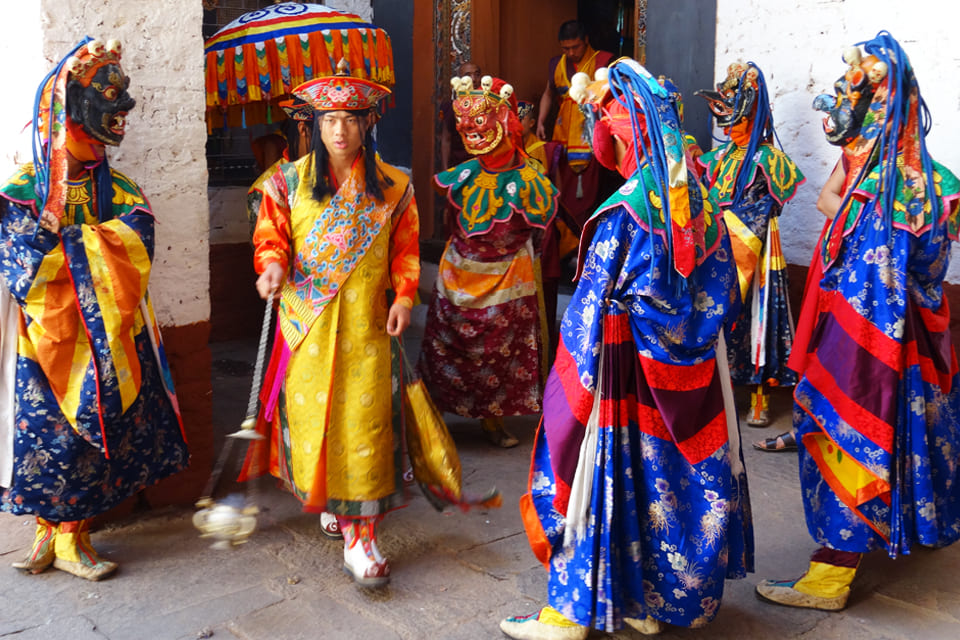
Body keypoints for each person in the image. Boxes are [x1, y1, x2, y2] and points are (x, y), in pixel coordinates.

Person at [501, 59, 753, 639]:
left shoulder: (624, 213)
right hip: (688, 373)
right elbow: (725, 293)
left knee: (601, 475)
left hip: (618, 372)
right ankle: (647, 601)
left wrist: (570, 375)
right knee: (664, 478)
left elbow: (589, 309)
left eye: (605, 128)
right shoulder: (703, 207)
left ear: (620, 133)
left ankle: (570, 612)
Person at [756, 31, 960, 611]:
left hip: (867, 351)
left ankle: (831, 573)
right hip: (915, 349)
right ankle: (909, 528)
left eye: (850, 96)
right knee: (913, 437)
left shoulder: (882, 193)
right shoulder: (933, 181)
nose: (838, 112)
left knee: (849, 435)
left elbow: (872, 306)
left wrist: (836, 383)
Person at [0, 38, 188, 581]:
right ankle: (44, 531)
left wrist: (71, 244)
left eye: (124, 94)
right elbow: (21, 260)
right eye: (110, 94)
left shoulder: (121, 189)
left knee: (93, 438)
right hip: (43, 338)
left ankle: (72, 537)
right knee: (44, 435)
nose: (124, 108)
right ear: (71, 107)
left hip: (108, 339)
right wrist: (90, 245)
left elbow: (140, 239)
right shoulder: (24, 188)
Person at [240, 65, 420, 588]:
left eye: (349, 119)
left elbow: (407, 252)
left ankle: (361, 537)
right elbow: (270, 238)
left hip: (368, 327)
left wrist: (405, 296)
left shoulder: (394, 187)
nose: (339, 130)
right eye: (329, 119)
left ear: (366, 124)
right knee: (318, 424)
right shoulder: (285, 182)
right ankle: (333, 503)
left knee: (363, 426)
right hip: (308, 330)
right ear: (315, 126)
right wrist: (271, 265)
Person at [418, 75, 558, 449]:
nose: (471, 132)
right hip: (457, 273)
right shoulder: (463, 176)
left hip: (509, 276)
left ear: (504, 123)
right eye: (465, 125)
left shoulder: (530, 177)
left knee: (498, 352)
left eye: (480, 123)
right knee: (445, 346)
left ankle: (492, 419)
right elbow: (453, 219)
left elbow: (539, 233)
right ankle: (430, 415)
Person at [695, 62, 805, 432]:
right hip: (720, 247)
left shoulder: (768, 159)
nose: (727, 126)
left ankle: (760, 395)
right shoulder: (719, 158)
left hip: (754, 251)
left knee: (760, 319)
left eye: (734, 117)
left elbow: (765, 207)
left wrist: (727, 234)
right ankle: (716, 388)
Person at [536, 20, 615, 238]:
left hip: (590, 133)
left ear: (586, 40)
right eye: (565, 48)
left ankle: (585, 239)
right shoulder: (556, 64)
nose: (570, 53)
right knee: (562, 187)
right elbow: (549, 93)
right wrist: (541, 121)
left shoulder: (603, 61)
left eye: (575, 47)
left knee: (589, 191)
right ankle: (568, 243)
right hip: (562, 133)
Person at [246, 96, 313, 239]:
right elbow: (266, 250)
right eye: (329, 127)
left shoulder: (342, 173)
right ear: (304, 131)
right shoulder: (264, 189)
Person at [440, 61, 482, 171]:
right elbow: (446, 139)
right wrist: (445, 170)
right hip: (459, 165)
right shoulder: (452, 107)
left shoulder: (489, 104)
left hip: (483, 164)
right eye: (467, 75)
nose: (473, 79)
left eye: (477, 74)